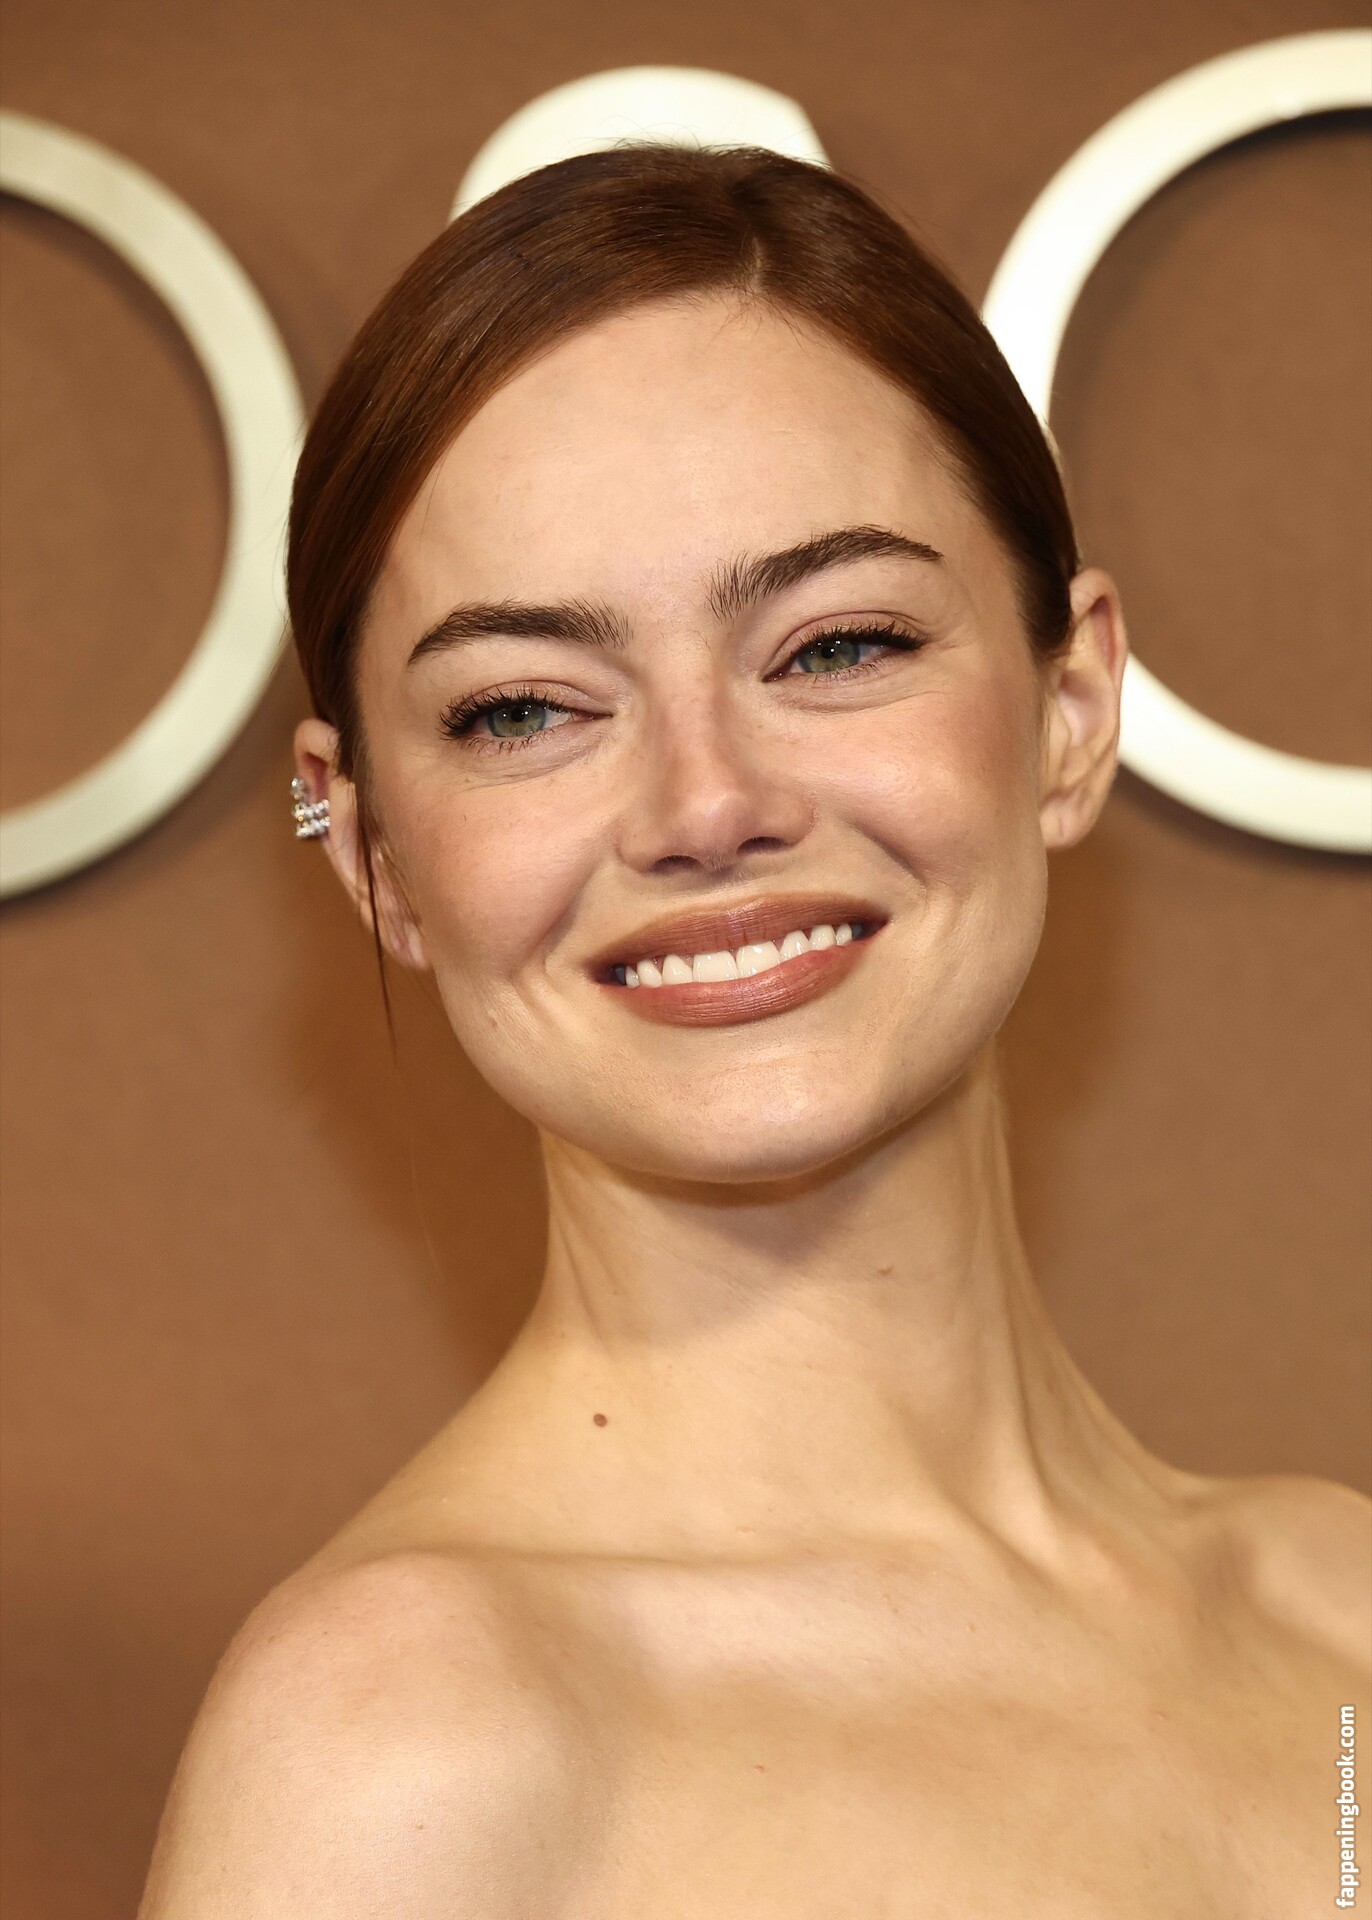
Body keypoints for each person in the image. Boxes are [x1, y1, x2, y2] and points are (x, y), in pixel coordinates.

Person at [139, 145, 1369, 1917]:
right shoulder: (400, 1744)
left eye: (835, 646)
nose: (706, 806)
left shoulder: (1339, 1619)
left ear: (1072, 705)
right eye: (522, 710)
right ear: (375, 853)